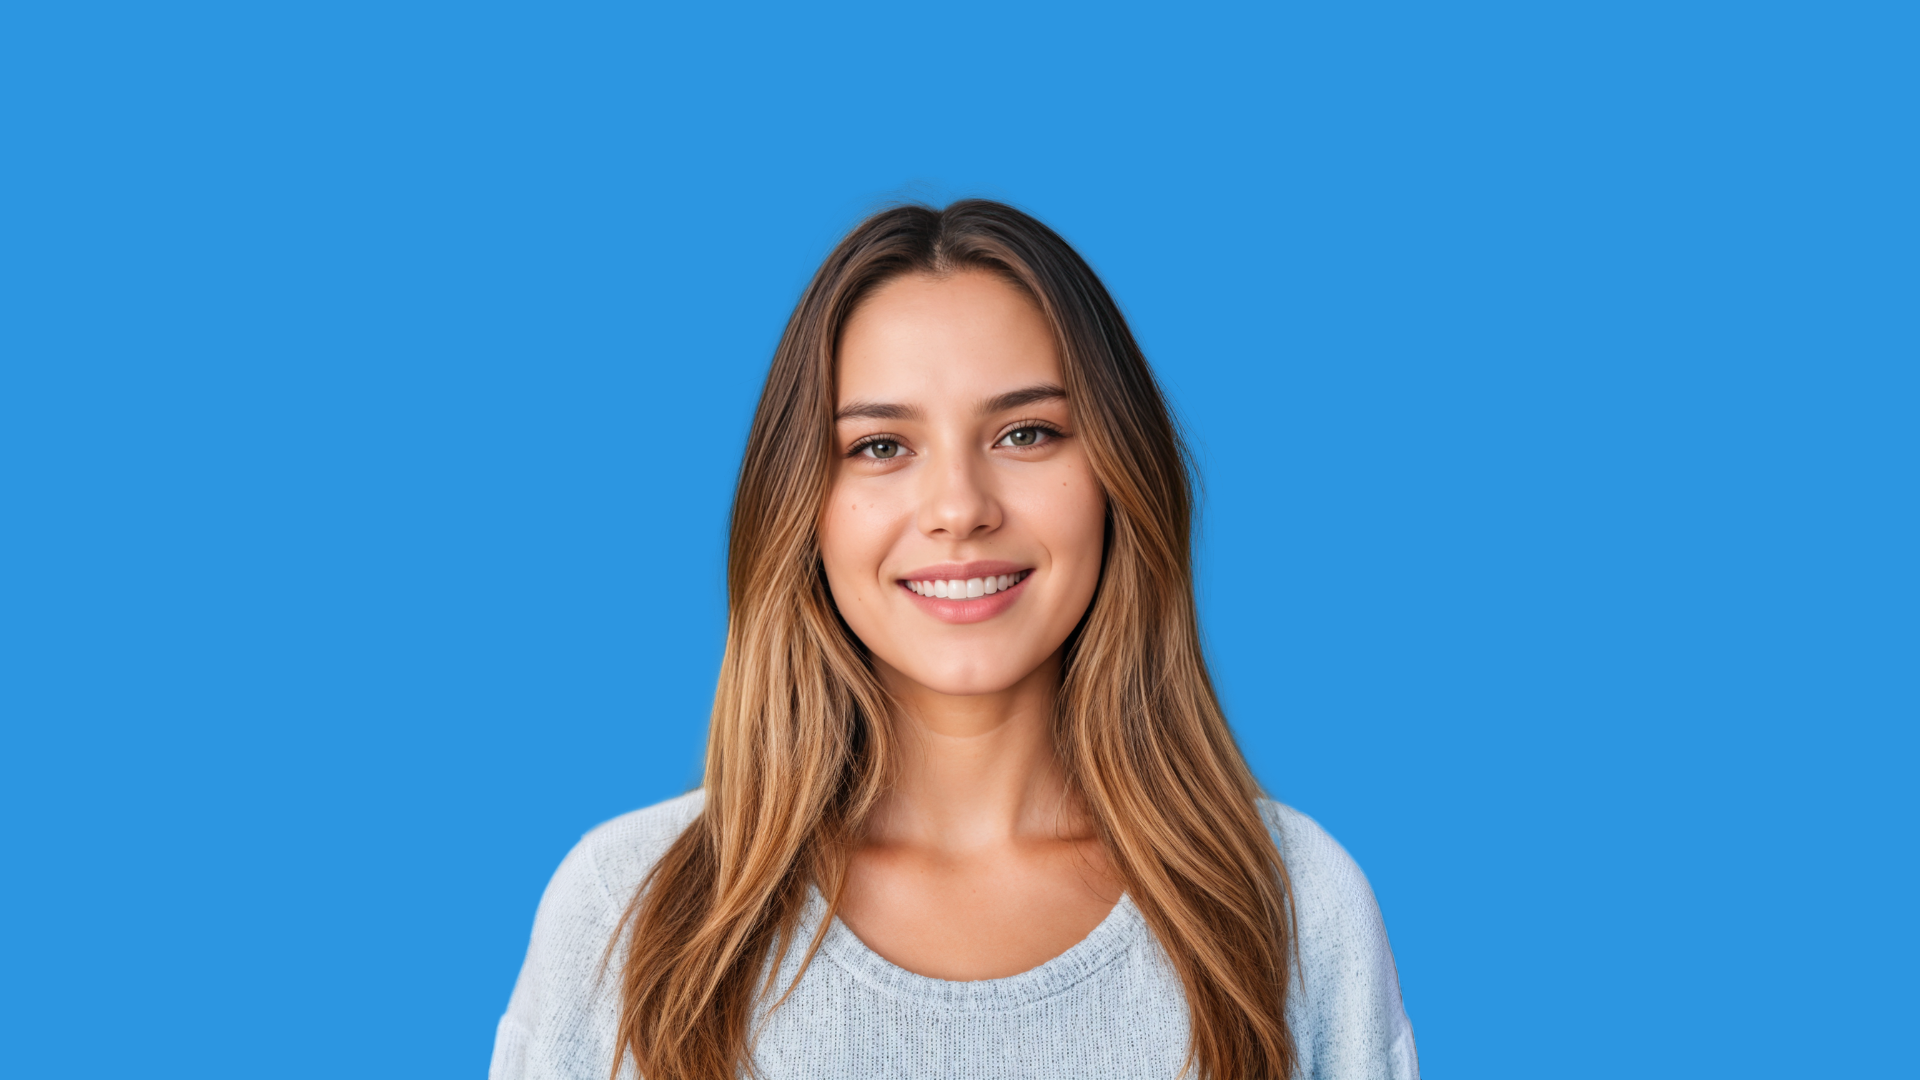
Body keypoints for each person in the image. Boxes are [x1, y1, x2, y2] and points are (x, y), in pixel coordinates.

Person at [490, 200, 1418, 1080]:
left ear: (1117, 478)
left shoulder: (1292, 907)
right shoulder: (628, 911)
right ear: (801, 506)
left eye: (1025, 432)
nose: (959, 510)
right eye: (881, 447)